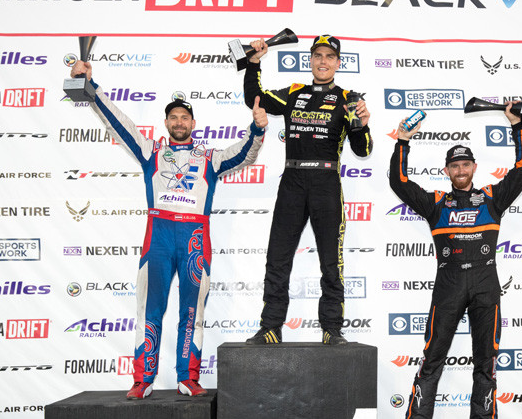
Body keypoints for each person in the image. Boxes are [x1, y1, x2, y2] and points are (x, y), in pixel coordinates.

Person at [70, 60, 268, 399]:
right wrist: (92, 87)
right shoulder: (152, 151)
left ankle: (187, 378)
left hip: (194, 238)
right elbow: (119, 123)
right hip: (158, 236)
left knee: (192, 313)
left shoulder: (209, 157)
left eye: (184, 117)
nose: (179, 122)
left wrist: (258, 129)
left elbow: (244, 155)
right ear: (166, 123)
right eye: (173, 117)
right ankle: (142, 380)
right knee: (149, 310)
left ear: (193, 123)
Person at [389, 102, 522, 419]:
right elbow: (399, 182)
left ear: (474, 167)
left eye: (465, 164)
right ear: (446, 171)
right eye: (454, 166)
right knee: (432, 360)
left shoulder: (493, 198)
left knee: (486, 362)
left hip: (485, 284)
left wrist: (517, 126)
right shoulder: (436, 204)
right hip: (449, 284)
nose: (460, 170)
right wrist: (402, 142)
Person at [242, 35, 373, 346]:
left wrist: (363, 124)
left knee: (331, 262)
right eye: (318, 56)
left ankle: (332, 329)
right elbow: (255, 99)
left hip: (326, 183)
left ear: (338, 63)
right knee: (277, 258)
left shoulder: (348, 99)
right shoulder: (294, 92)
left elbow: (363, 150)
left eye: (329, 56)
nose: (323, 61)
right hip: (292, 181)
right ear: (311, 60)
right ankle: (270, 327)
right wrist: (253, 63)